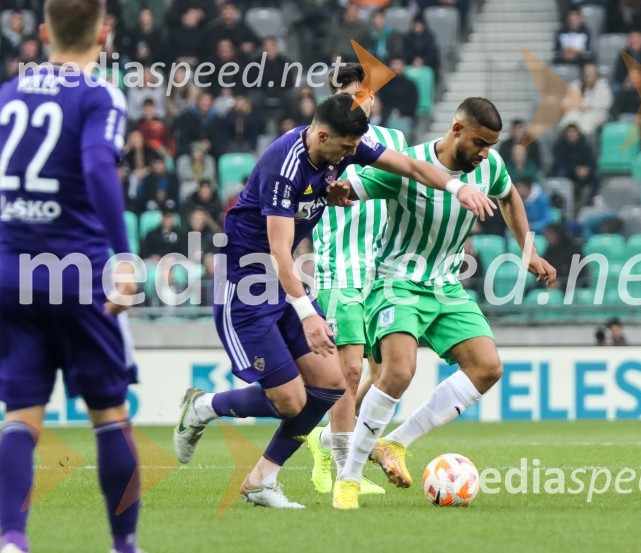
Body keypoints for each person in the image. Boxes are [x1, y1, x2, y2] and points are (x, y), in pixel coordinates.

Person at [172, 94, 495, 509]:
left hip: (285, 286)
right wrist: (308, 314)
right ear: (323, 134)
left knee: (328, 386)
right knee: (290, 401)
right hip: (246, 287)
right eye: (344, 149)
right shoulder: (282, 167)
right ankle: (201, 408)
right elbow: (280, 252)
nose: (349, 156)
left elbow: (411, 166)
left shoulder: (344, 143)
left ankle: (261, 481)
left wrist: (457, 186)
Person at [330, 97, 557, 509]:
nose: (485, 153)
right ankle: (348, 478)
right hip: (395, 281)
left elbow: (509, 198)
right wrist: (338, 189)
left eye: (491, 145)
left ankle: (395, 443)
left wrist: (529, 251)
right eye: (479, 142)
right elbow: (351, 190)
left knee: (488, 368)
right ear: (456, 130)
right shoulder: (407, 166)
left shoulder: (489, 166)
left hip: (446, 285)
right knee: (399, 371)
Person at [0, 1, 142, 552]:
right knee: (109, 414)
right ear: (103, 33)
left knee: (20, 416)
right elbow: (97, 165)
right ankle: (124, 545)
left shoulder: (8, 97)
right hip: (75, 273)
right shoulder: (99, 94)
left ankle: (12, 540)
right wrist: (123, 256)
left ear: (43, 33)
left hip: (12, 273)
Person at [305, 63, 406, 497]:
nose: (362, 100)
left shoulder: (396, 141)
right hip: (337, 265)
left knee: (387, 373)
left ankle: (328, 439)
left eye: (366, 94)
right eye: (352, 94)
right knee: (347, 370)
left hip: (382, 268)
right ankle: (347, 467)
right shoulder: (324, 140)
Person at [552, 124, 600, 209]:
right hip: (568, 172)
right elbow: (560, 163)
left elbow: (591, 161)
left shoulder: (585, 145)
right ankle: (561, 202)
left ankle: (589, 200)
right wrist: (575, 169)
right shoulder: (559, 146)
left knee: (597, 176)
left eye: (574, 132)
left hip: (583, 172)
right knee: (560, 173)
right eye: (569, 132)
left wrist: (586, 169)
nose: (572, 134)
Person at [559, 62, 612, 137]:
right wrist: (579, 106)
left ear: (596, 74)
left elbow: (606, 103)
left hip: (596, 112)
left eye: (591, 73)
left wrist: (590, 107)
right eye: (586, 72)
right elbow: (566, 102)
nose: (588, 75)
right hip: (577, 111)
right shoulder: (575, 85)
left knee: (587, 121)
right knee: (569, 118)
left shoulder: (603, 86)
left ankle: (583, 140)